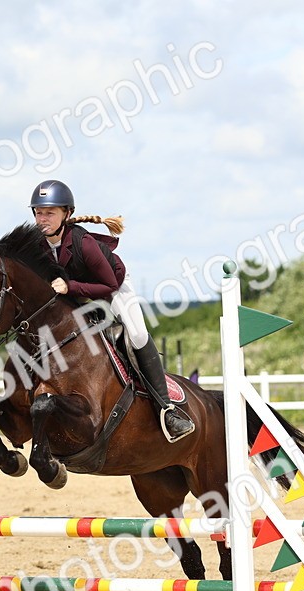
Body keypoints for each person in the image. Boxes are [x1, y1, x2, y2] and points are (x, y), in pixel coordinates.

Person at [29, 179, 195, 443]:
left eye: (49, 212)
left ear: (66, 214)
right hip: (74, 293)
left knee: (138, 335)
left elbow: (108, 285)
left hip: (113, 287)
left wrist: (70, 286)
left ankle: (167, 409)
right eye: (38, 212)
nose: (42, 218)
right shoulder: (38, 246)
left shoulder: (84, 244)